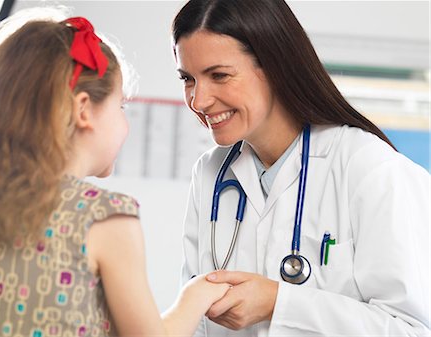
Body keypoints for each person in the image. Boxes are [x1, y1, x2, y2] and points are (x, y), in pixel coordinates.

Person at [171, 0, 430, 336]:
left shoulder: (368, 168)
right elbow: (197, 325)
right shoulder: (210, 174)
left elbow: (412, 330)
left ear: (276, 66)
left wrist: (280, 303)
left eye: (219, 75)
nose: (199, 100)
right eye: (188, 78)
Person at [0, 10, 230, 337]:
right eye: (121, 107)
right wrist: (198, 294)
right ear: (84, 110)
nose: (125, 123)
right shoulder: (103, 217)